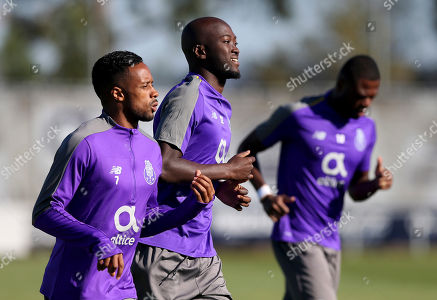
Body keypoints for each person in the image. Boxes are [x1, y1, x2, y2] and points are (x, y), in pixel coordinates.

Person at [32, 50, 215, 300]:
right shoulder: (84, 142)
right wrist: (98, 239)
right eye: (145, 86)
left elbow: (144, 220)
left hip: (123, 290)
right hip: (73, 290)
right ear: (118, 94)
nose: (154, 92)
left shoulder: (151, 149)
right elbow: (45, 212)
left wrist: (191, 208)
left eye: (152, 84)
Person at [238, 55, 393, 300]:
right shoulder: (298, 115)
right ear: (342, 84)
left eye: (372, 96)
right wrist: (265, 194)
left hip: (331, 239)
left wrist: (374, 185)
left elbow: (355, 189)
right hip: (296, 235)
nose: (366, 102)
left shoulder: (367, 128)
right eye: (361, 94)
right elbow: (245, 151)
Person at [131, 17, 254, 300]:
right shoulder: (189, 95)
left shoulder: (218, 103)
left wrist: (220, 186)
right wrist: (229, 169)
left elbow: (193, 166)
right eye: (226, 42)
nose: (235, 49)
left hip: (202, 251)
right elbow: (165, 165)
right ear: (200, 52)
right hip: (165, 249)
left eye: (236, 42)